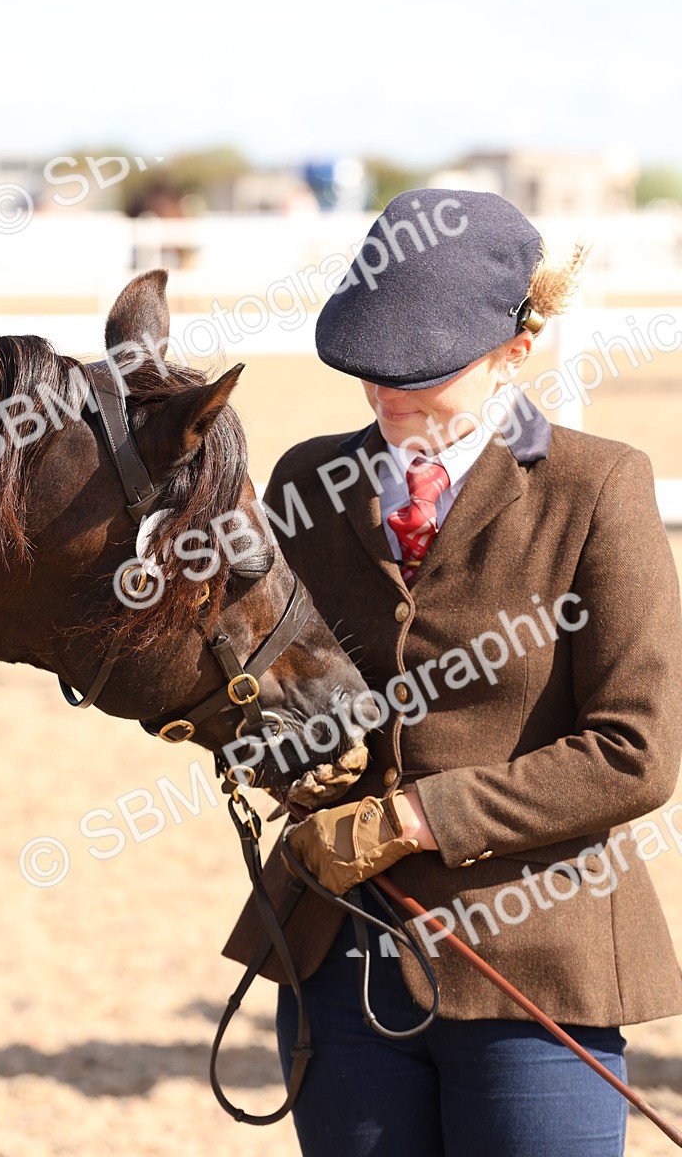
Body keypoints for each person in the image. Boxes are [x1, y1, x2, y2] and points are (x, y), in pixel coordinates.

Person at [223, 189, 682, 1157]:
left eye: (423, 375)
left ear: (515, 352)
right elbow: (268, 689)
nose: (390, 404)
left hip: (537, 964)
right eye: (371, 376)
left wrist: (414, 819)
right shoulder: (305, 483)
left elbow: (634, 752)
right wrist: (280, 755)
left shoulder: (598, 487)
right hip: (339, 964)